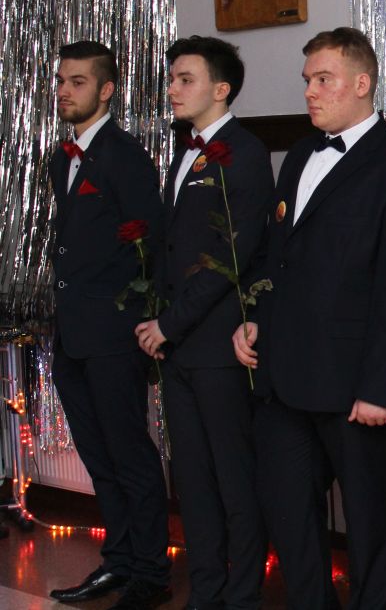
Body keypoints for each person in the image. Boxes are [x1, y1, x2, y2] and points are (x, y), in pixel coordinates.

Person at [232, 27, 386, 609]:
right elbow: (278, 257)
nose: (310, 91)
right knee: (290, 520)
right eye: (308, 80)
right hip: (283, 378)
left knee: (371, 528)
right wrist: (256, 319)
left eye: (324, 79)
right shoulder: (299, 155)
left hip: (355, 386)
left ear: (362, 82)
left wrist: (380, 388)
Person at [134, 36, 271, 609]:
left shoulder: (245, 153)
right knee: (192, 479)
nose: (172, 88)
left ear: (221, 89)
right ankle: (207, 590)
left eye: (185, 79)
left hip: (218, 345)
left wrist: (170, 324)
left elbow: (230, 258)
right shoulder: (184, 151)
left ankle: (243, 595)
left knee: (233, 479)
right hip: (180, 349)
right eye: (171, 78)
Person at [47, 41, 171, 608]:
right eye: (60, 81)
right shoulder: (62, 158)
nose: (64, 91)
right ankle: (119, 561)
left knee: (130, 456)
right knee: (98, 457)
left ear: (106, 90)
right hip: (72, 332)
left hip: (115, 335)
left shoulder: (125, 156)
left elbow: (151, 246)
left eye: (77, 82)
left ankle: (151, 574)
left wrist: (140, 321)